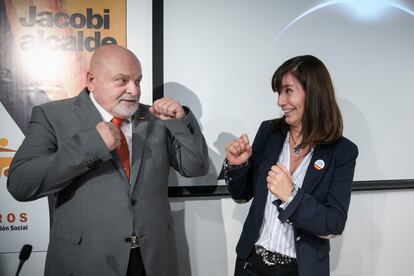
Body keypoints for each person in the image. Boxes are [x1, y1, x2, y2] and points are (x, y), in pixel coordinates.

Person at [7, 44, 209, 276]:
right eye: (122, 81)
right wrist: (91, 145)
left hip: (152, 260)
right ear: (92, 80)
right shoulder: (51, 116)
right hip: (84, 261)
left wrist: (180, 122)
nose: (134, 91)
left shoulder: (155, 118)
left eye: (138, 81)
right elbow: (21, 184)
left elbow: (196, 167)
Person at [220, 55, 358, 276]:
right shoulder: (269, 132)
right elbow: (243, 194)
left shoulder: (342, 152)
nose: (280, 101)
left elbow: (334, 223)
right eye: (279, 92)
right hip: (251, 264)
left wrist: (291, 196)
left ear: (312, 93)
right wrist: (238, 166)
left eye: (288, 91)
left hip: (300, 270)